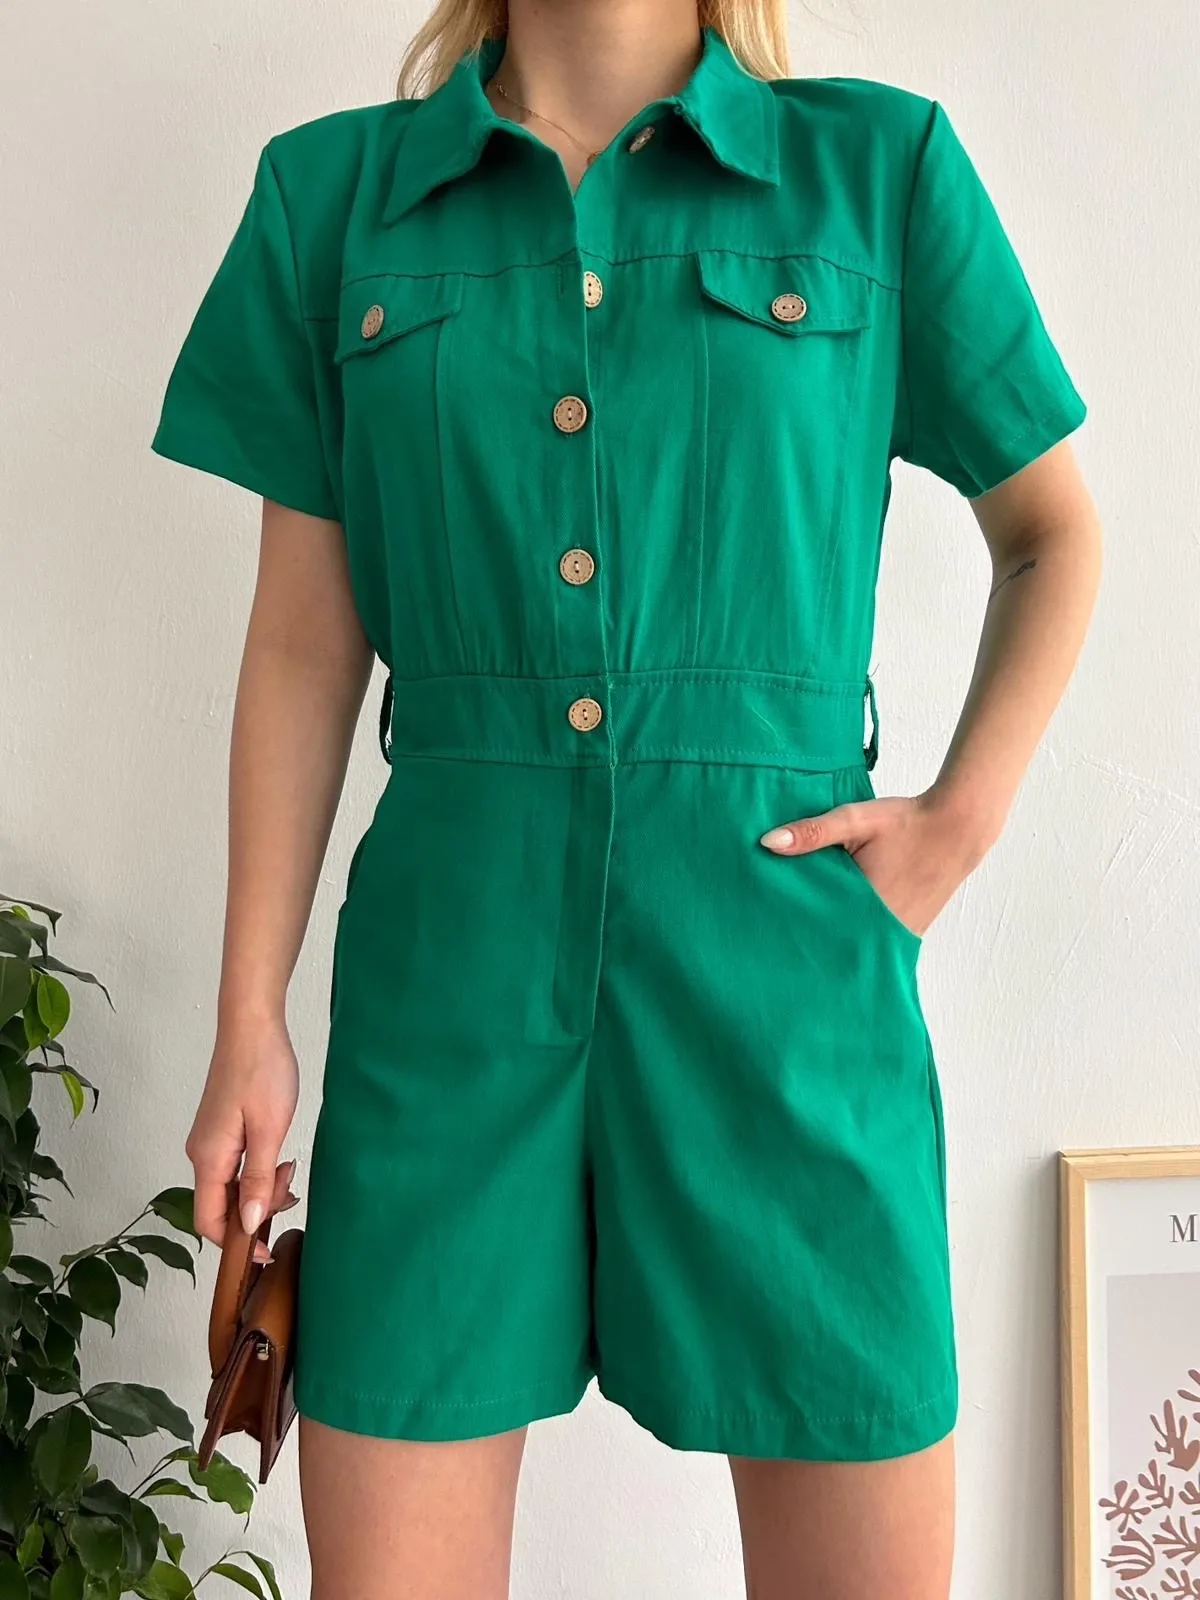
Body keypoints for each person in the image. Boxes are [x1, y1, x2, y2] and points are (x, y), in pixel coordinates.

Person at [150, 0, 1102, 1595]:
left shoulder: (879, 172)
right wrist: (251, 1013)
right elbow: (307, 644)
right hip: (447, 987)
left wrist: (954, 828)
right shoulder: (332, 199)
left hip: (786, 981)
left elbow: (1053, 532)